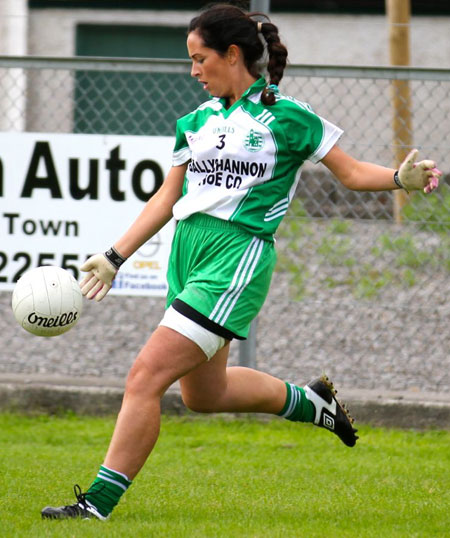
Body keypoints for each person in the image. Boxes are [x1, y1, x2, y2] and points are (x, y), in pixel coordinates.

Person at [41, 4, 441, 521]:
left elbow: (351, 171)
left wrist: (398, 178)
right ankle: (313, 403)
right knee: (205, 396)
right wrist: (115, 256)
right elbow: (168, 197)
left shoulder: (289, 117)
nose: (193, 71)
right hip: (188, 253)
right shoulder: (195, 122)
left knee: (144, 376)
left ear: (232, 55)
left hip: (237, 257)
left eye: (199, 58)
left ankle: (96, 505)